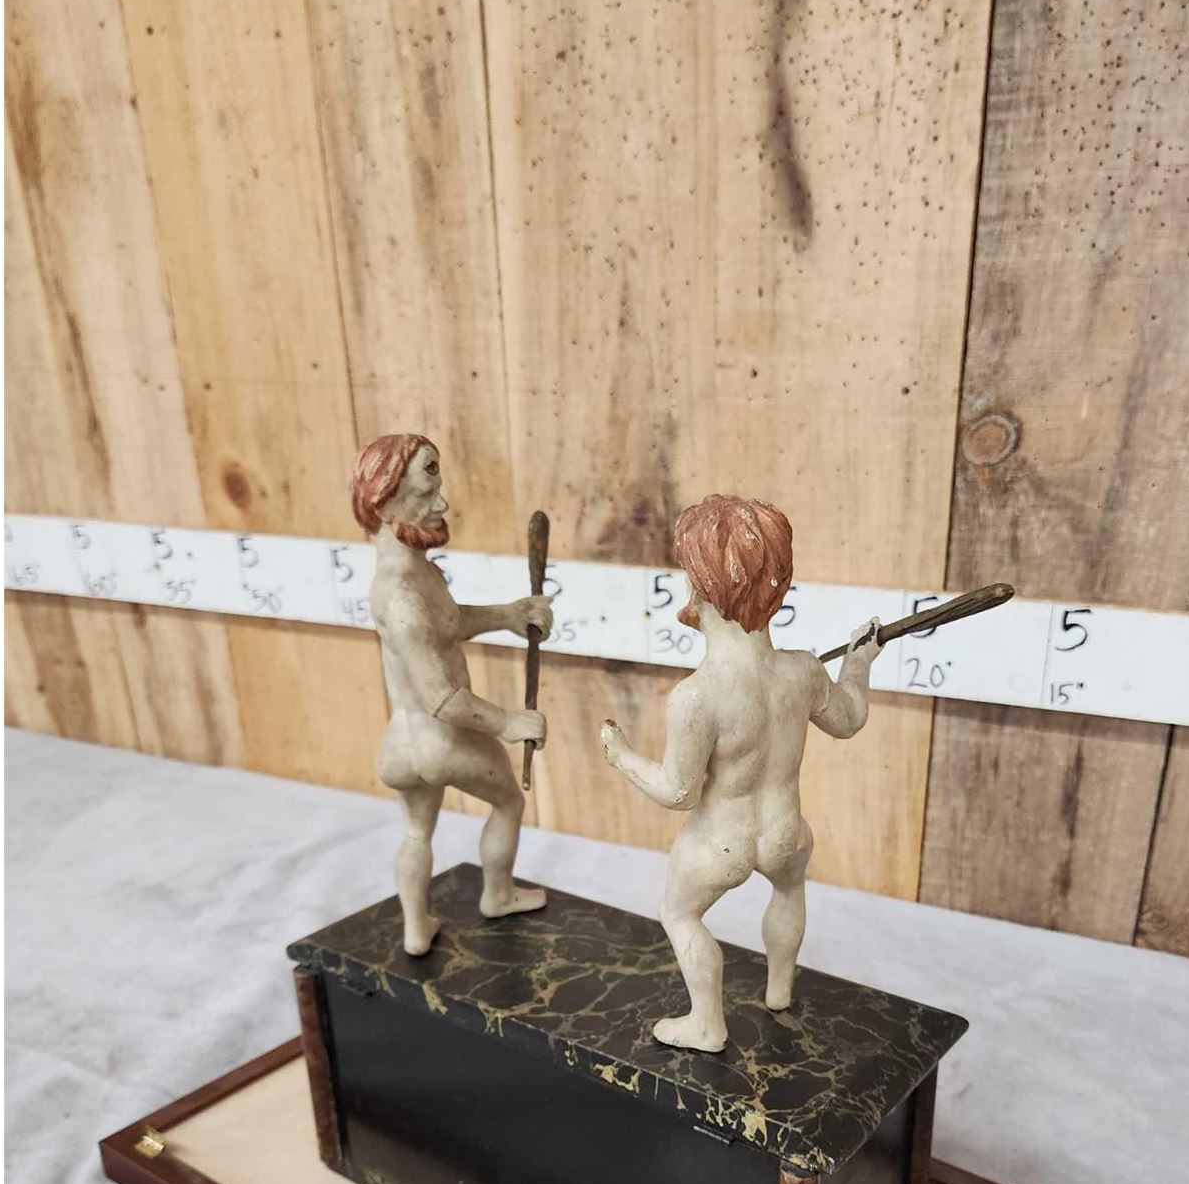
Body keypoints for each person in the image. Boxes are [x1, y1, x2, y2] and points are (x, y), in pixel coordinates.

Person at [601, 494, 881, 1051]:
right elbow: (849, 719)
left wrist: (622, 756)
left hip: (720, 843)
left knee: (678, 914)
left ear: (703, 589)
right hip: (784, 833)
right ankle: (779, 989)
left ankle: (706, 1022)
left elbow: (678, 792)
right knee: (789, 888)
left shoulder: (697, 696)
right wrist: (857, 664)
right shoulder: (803, 672)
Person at [353, 433, 552, 955]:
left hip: (401, 747)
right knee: (508, 802)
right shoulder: (402, 598)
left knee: (416, 831)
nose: (441, 504)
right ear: (384, 503)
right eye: (424, 495)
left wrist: (507, 615)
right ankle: (498, 895)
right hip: (440, 740)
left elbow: (448, 624)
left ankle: (416, 929)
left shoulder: (411, 575)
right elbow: (442, 699)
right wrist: (508, 723)